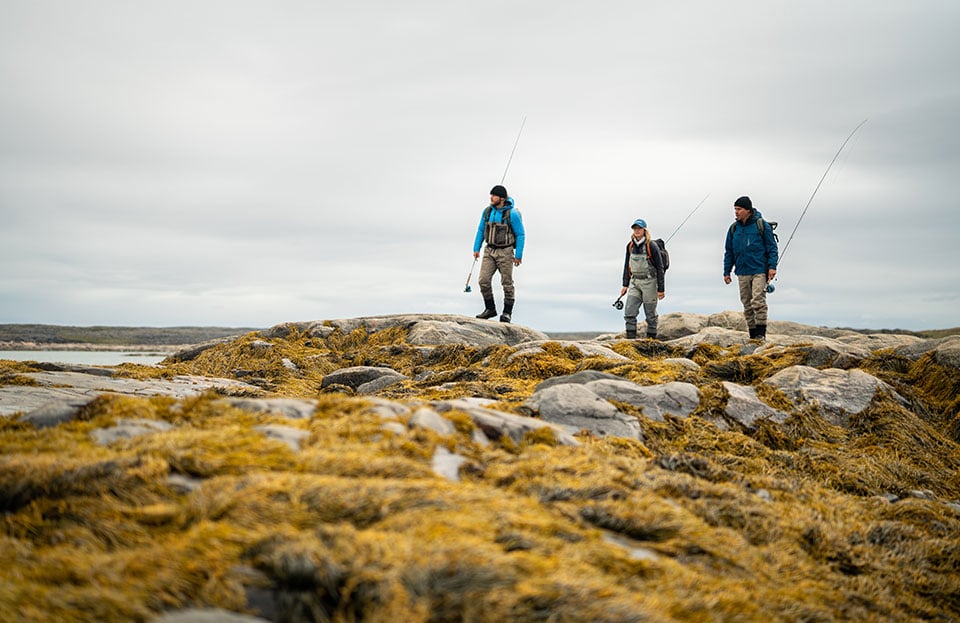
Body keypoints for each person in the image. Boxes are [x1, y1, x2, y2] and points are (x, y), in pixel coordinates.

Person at [723, 195, 779, 340]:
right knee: (747, 304)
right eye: (735, 209)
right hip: (742, 271)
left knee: (758, 301)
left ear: (748, 210)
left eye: (739, 209)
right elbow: (729, 251)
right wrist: (726, 271)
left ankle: (761, 335)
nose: (736, 212)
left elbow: (772, 248)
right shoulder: (733, 228)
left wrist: (772, 267)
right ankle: (753, 335)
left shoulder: (762, 225)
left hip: (759, 270)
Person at [473, 185, 525, 323]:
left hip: (506, 251)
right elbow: (480, 230)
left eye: (494, 195)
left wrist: (518, 255)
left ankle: (507, 313)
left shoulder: (512, 214)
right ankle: (490, 309)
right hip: (489, 250)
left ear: (501, 198)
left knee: (506, 283)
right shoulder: (487, 211)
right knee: (483, 281)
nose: (491, 198)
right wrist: (476, 248)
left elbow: (520, 234)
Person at [620, 218, 665, 339]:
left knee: (650, 315)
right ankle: (630, 342)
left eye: (639, 228)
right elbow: (626, 266)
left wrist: (661, 289)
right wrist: (625, 284)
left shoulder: (652, 246)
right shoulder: (630, 246)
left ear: (644, 230)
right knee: (629, 312)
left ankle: (651, 342)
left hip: (650, 282)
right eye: (635, 228)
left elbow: (660, 268)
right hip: (635, 282)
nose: (637, 230)